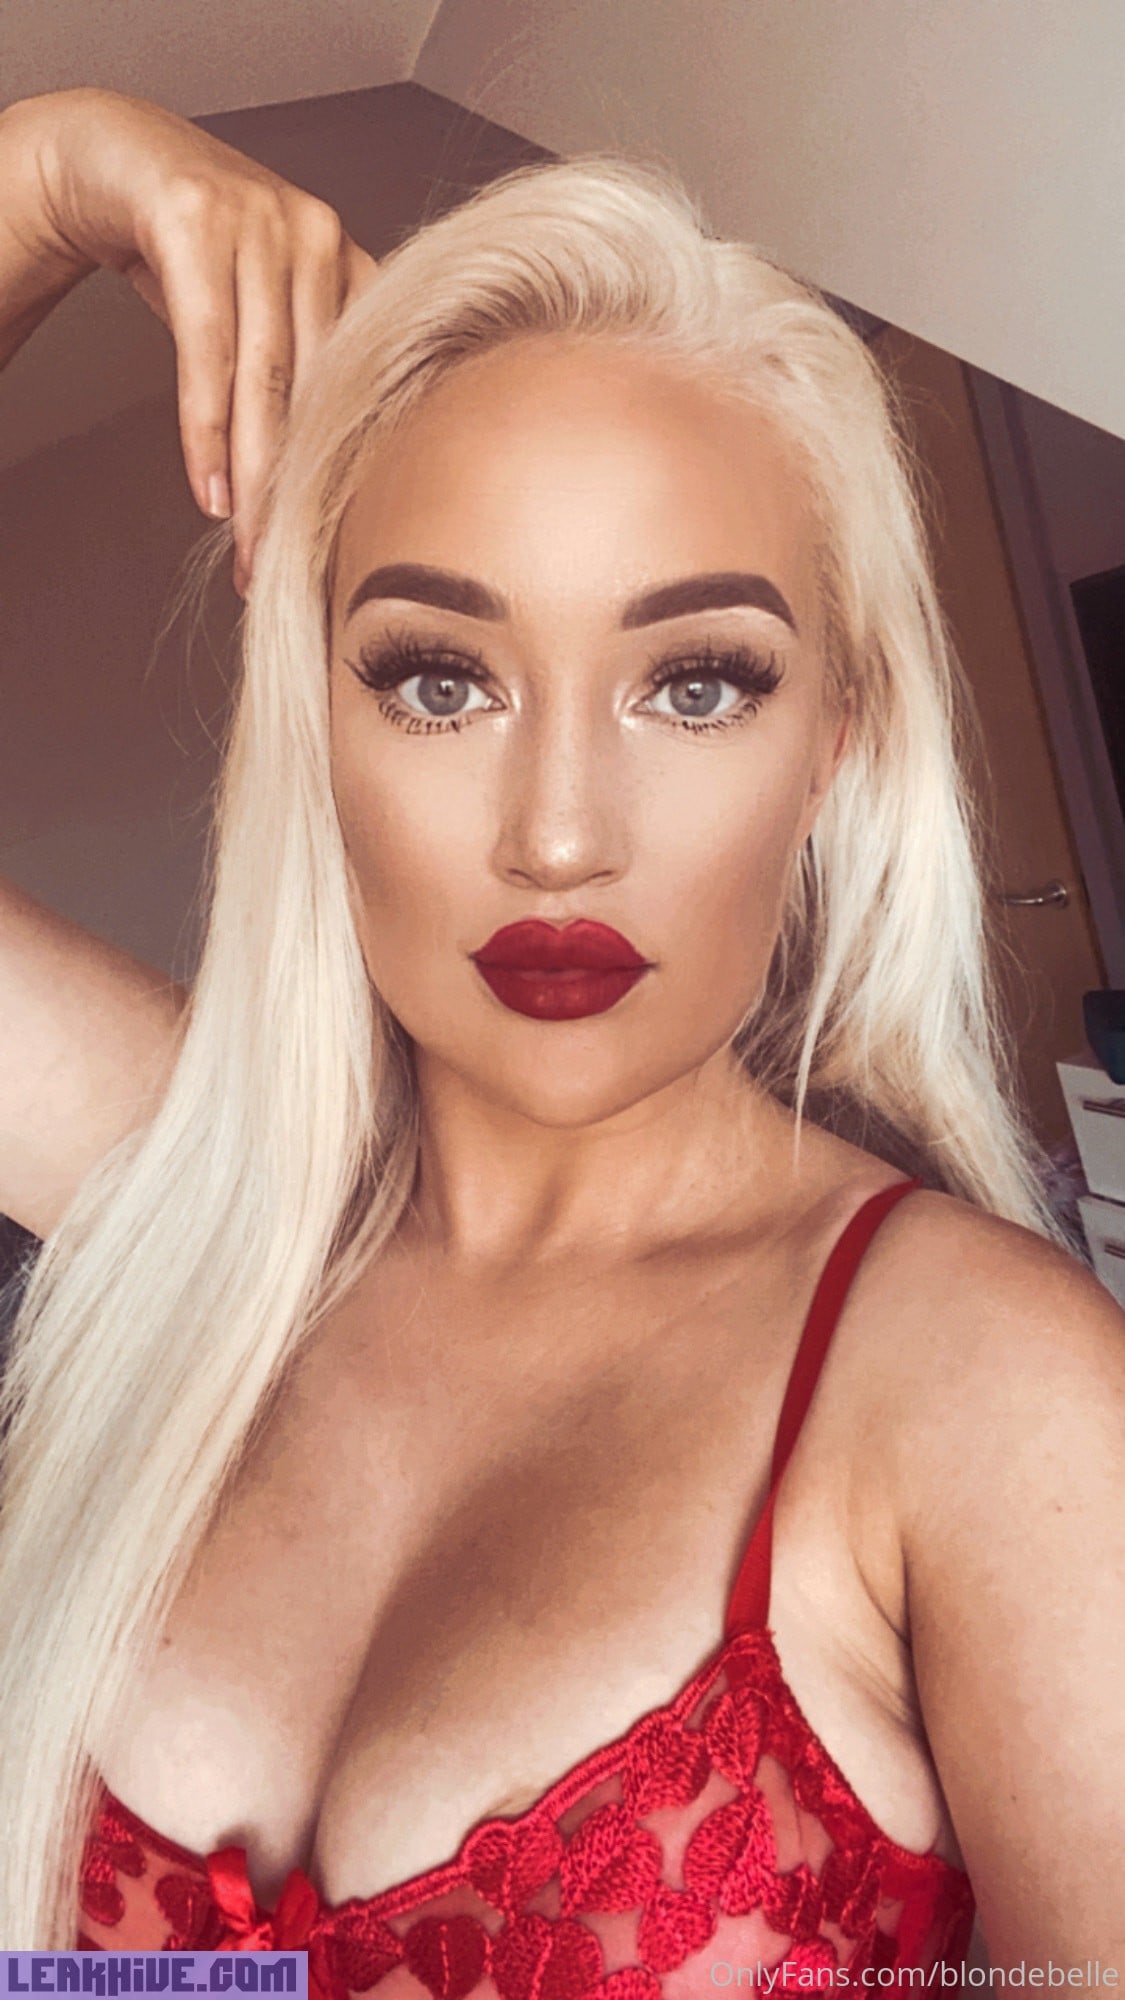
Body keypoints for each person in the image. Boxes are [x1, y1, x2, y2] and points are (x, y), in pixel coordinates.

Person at [0, 85, 1121, 1982]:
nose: (558, 835)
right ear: (317, 724)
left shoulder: (989, 1399)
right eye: (440, 680)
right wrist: (47, 172)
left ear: (832, 747)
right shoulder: (188, 1198)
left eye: (697, 684)